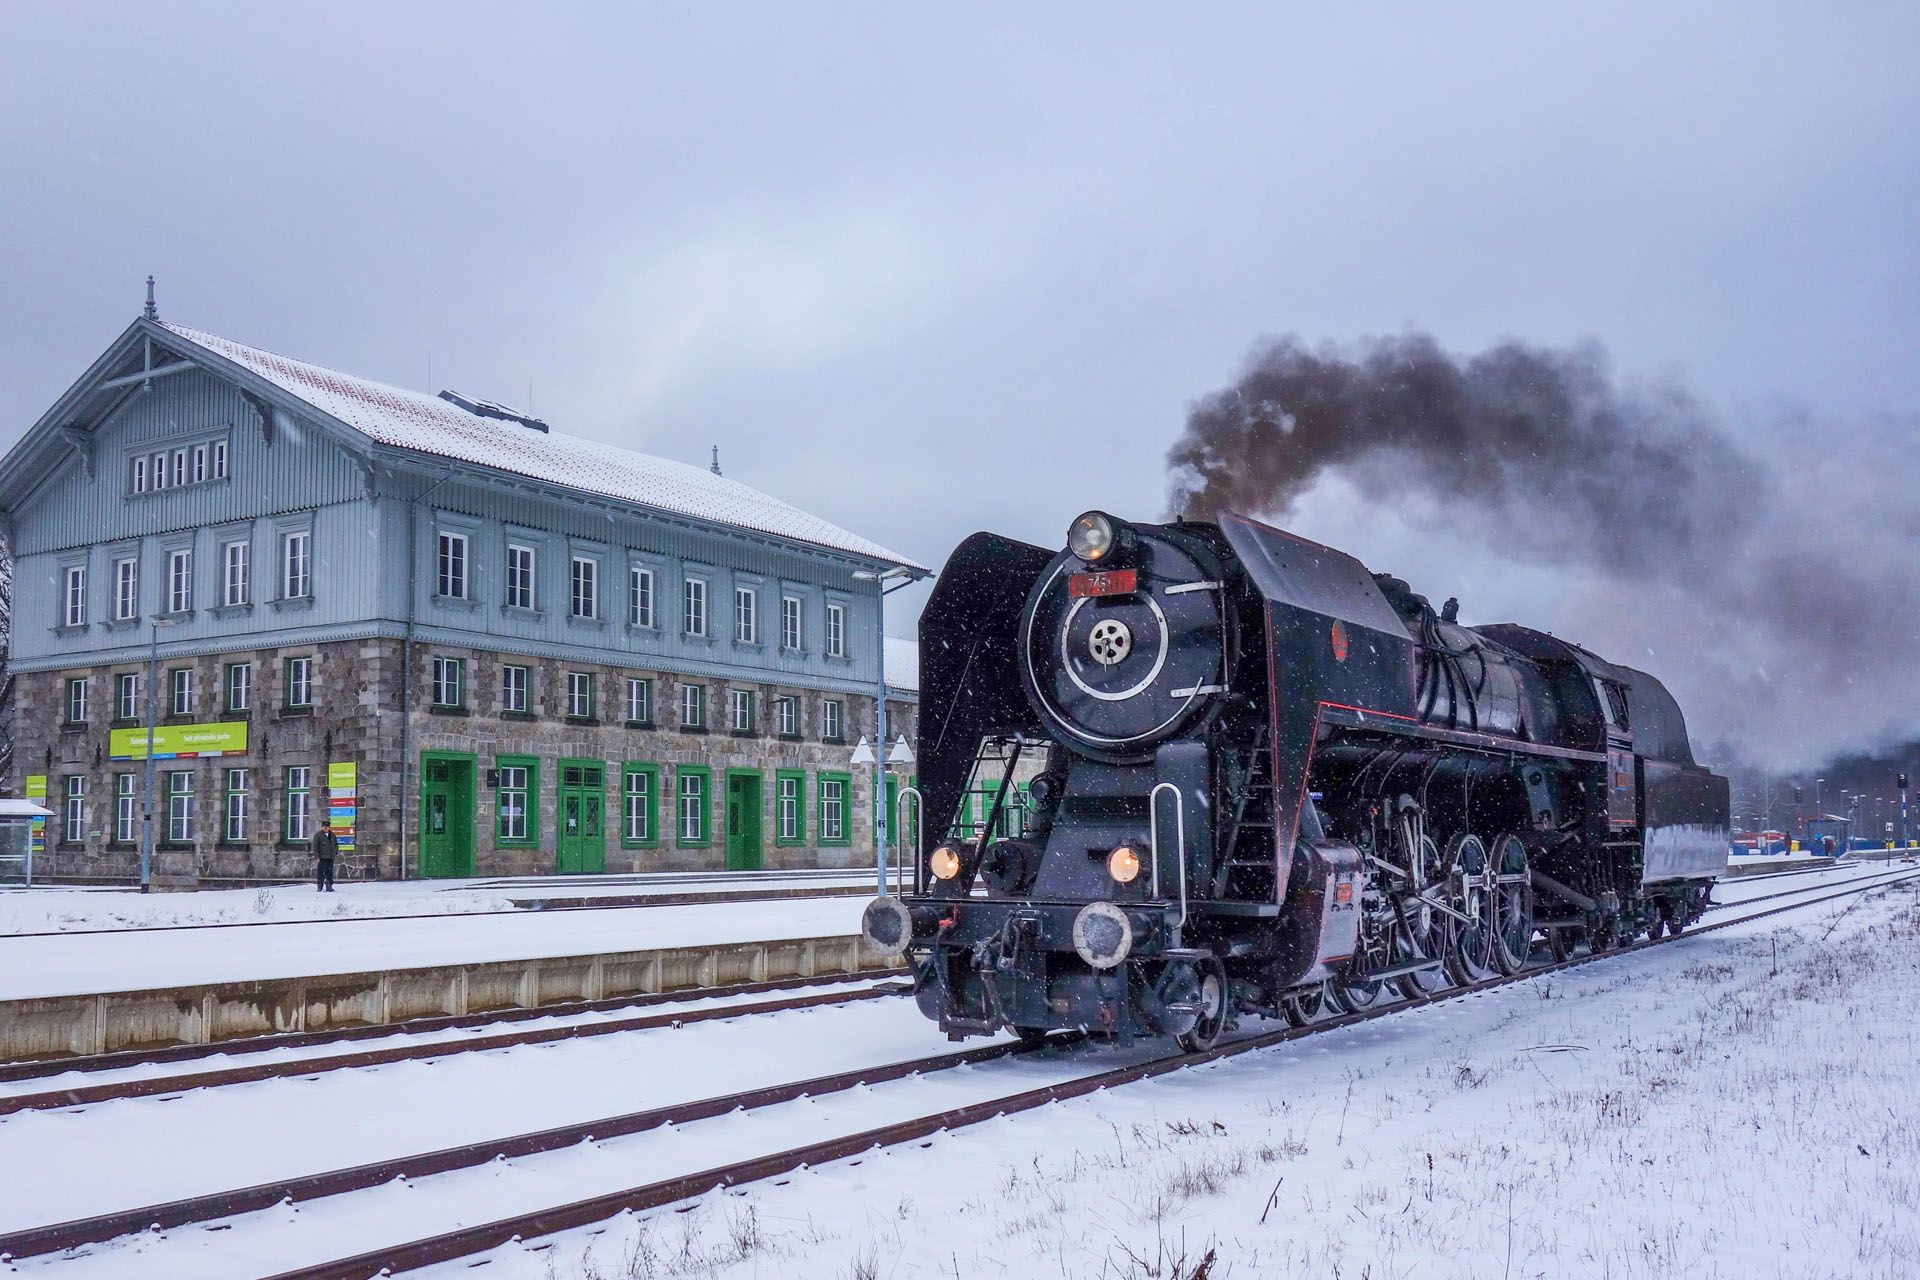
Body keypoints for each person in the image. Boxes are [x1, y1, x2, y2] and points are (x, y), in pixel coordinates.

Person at [313, 822, 338, 892]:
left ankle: (329, 885)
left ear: (329, 827)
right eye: (324, 826)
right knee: (321, 873)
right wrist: (317, 856)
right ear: (322, 827)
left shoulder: (332, 835)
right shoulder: (318, 835)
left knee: (329, 872)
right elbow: (315, 847)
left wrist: (335, 852)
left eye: (327, 826)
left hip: (330, 857)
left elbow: (335, 845)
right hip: (322, 857)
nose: (325, 828)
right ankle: (320, 886)